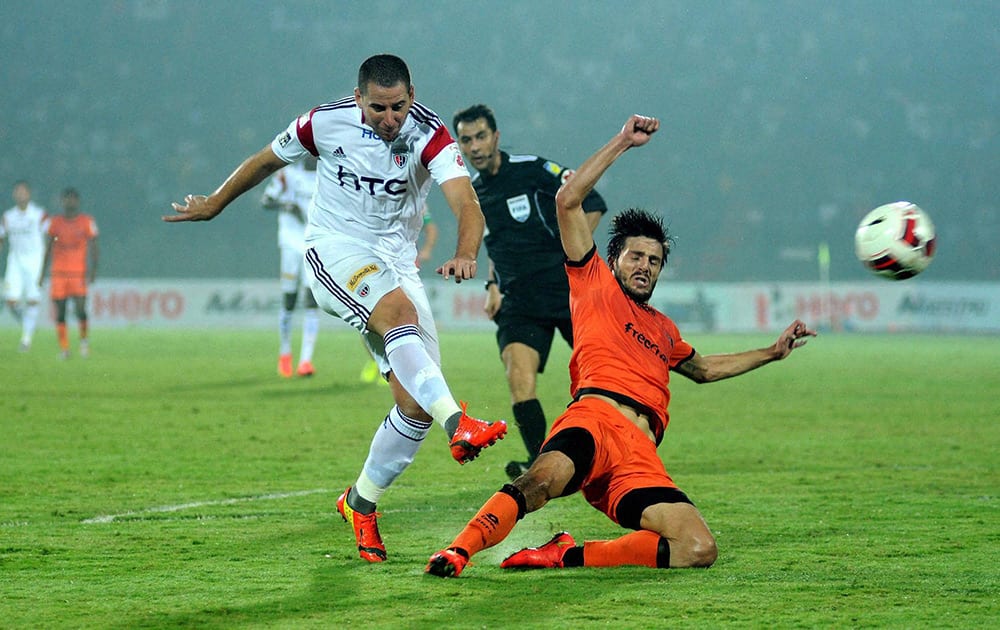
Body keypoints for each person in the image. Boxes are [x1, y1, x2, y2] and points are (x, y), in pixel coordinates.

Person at [426, 115, 817, 578]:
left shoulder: (665, 330)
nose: (645, 266)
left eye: (654, 260)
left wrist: (772, 352)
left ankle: (564, 554)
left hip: (640, 453)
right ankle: (458, 551)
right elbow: (568, 200)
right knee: (540, 481)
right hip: (594, 420)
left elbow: (705, 369)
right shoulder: (594, 285)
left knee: (697, 547)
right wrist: (623, 143)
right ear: (614, 259)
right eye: (636, 256)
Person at [164, 54, 507, 563]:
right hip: (335, 249)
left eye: (398, 106)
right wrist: (215, 201)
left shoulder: (430, 135)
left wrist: (465, 252)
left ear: (412, 94)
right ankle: (457, 422)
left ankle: (360, 503)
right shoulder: (323, 123)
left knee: (413, 406)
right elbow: (264, 160)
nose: (390, 118)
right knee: (399, 317)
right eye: (378, 108)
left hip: (396, 262)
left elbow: (465, 202)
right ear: (358, 98)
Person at [453, 104, 608, 480]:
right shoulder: (471, 193)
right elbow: (493, 242)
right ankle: (542, 466)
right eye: (466, 139)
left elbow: (594, 202)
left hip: (567, 291)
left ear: (496, 137)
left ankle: (619, 450)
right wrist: (492, 284)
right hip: (519, 301)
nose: (475, 146)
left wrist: (574, 253)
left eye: (481, 136)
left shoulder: (533, 169)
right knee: (518, 377)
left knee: (602, 378)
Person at [359, 204, 437, 384]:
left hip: (403, 266)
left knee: (407, 318)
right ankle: (378, 362)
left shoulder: (414, 201)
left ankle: (400, 368)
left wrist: (426, 251)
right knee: (370, 322)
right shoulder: (373, 196)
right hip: (376, 265)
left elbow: (431, 228)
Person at [261, 154, 320, 378]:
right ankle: (285, 352)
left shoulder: (328, 176)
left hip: (313, 243)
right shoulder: (287, 175)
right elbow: (266, 200)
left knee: (311, 299)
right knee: (289, 299)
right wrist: (288, 204)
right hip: (289, 241)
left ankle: (305, 360)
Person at [40, 188, 99, 359]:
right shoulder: (55, 222)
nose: (69, 202)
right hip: (58, 273)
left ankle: (84, 342)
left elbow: (94, 246)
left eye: (72, 199)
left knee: (81, 310)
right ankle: (64, 349)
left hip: (78, 273)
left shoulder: (87, 221)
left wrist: (93, 270)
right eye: (66, 199)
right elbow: (48, 248)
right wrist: (42, 273)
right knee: (60, 313)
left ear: (77, 201)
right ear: (62, 201)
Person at [1, 180, 49, 352]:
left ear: (29, 194)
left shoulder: (39, 214)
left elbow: (51, 235)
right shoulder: (8, 216)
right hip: (15, 261)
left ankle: (26, 340)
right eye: (17, 192)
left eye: (23, 191)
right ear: (14, 195)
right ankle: (28, 324)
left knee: (32, 300)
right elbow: (1, 237)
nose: (21, 195)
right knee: (11, 301)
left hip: (35, 260)